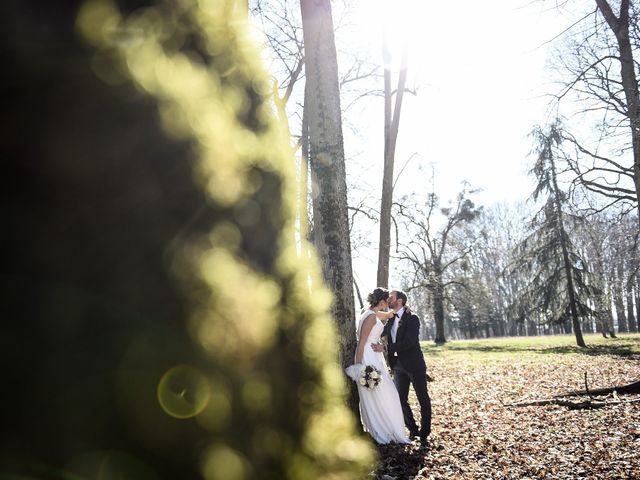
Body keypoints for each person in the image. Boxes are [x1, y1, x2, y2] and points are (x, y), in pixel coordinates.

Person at [351, 287, 410, 444]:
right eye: (387, 300)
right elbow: (362, 342)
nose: (389, 303)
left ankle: (386, 426)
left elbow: (389, 314)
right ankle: (383, 429)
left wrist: (403, 307)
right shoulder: (370, 317)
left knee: (384, 393)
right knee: (382, 393)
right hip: (368, 356)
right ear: (382, 301)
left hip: (374, 356)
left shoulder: (369, 311)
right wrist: (358, 367)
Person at [373, 289, 432, 443]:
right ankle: (413, 430)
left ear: (399, 300)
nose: (388, 299)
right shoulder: (391, 318)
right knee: (400, 399)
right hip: (398, 366)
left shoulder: (413, 318)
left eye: (391, 297)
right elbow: (380, 331)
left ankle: (425, 433)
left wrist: (385, 348)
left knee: (422, 399)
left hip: (414, 365)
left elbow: (409, 342)